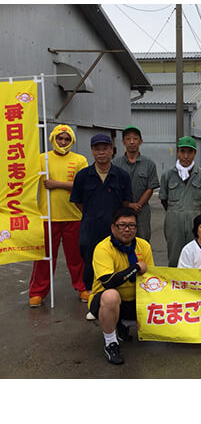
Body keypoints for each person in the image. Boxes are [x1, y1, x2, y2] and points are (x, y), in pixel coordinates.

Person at [28, 124, 88, 308]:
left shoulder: (80, 160)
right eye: (60, 138)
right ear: (53, 138)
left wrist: (56, 184)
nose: (63, 142)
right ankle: (37, 291)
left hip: (73, 216)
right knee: (44, 258)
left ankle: (82, 287)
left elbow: (82, 186)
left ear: (72, 141)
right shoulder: (42, 159)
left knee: (77, 257)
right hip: (48, 218)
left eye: (67, 139)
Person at [88, 207, 154, 365]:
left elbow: (151, 279)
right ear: (113, 227)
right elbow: (108, 282)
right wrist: (135, 268)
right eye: (122, 225)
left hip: (134, 299)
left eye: (132, 225)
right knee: (111, 296)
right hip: (105, 300)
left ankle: (123, 323)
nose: (127, 229)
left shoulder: (144, 246)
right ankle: (111, 343)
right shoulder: (103, 249)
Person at [70, 133, 132, 291]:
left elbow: (126, 202)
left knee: (117, 258)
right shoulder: (82, 176)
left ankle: (116, 290)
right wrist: (93, 214)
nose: (101, 152)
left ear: (112, 150)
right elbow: (78, 201)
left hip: (115, 228)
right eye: (97, 149)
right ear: (92, 151)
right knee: (89, 257)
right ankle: (91, 293)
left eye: (105, 148)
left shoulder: (122, 176)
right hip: (90, 227)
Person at [159, 136, 201, 267]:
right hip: (173, 220)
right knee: (174, 255)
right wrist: (176, 210)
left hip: (195, 219)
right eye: (182, 152)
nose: (186, 156)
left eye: (190, 152)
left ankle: (194, 285)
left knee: (196, 255)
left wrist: (191, 211)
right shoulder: (167, 175)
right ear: (177, 152)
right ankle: (175, 285)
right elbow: (164, 199)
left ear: (195, 153)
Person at [112, 125, 159, 241]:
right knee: (121, 240)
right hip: (120, 209)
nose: (132, 142)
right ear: (123, 142)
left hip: (141, 211)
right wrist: (128, 205)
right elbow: (113, 187)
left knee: (142, 240)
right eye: (128, 139)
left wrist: (138, 205)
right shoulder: (115, 164)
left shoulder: (149, 164)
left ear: (141, 141)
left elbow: (150, 187)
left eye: (135, 139)